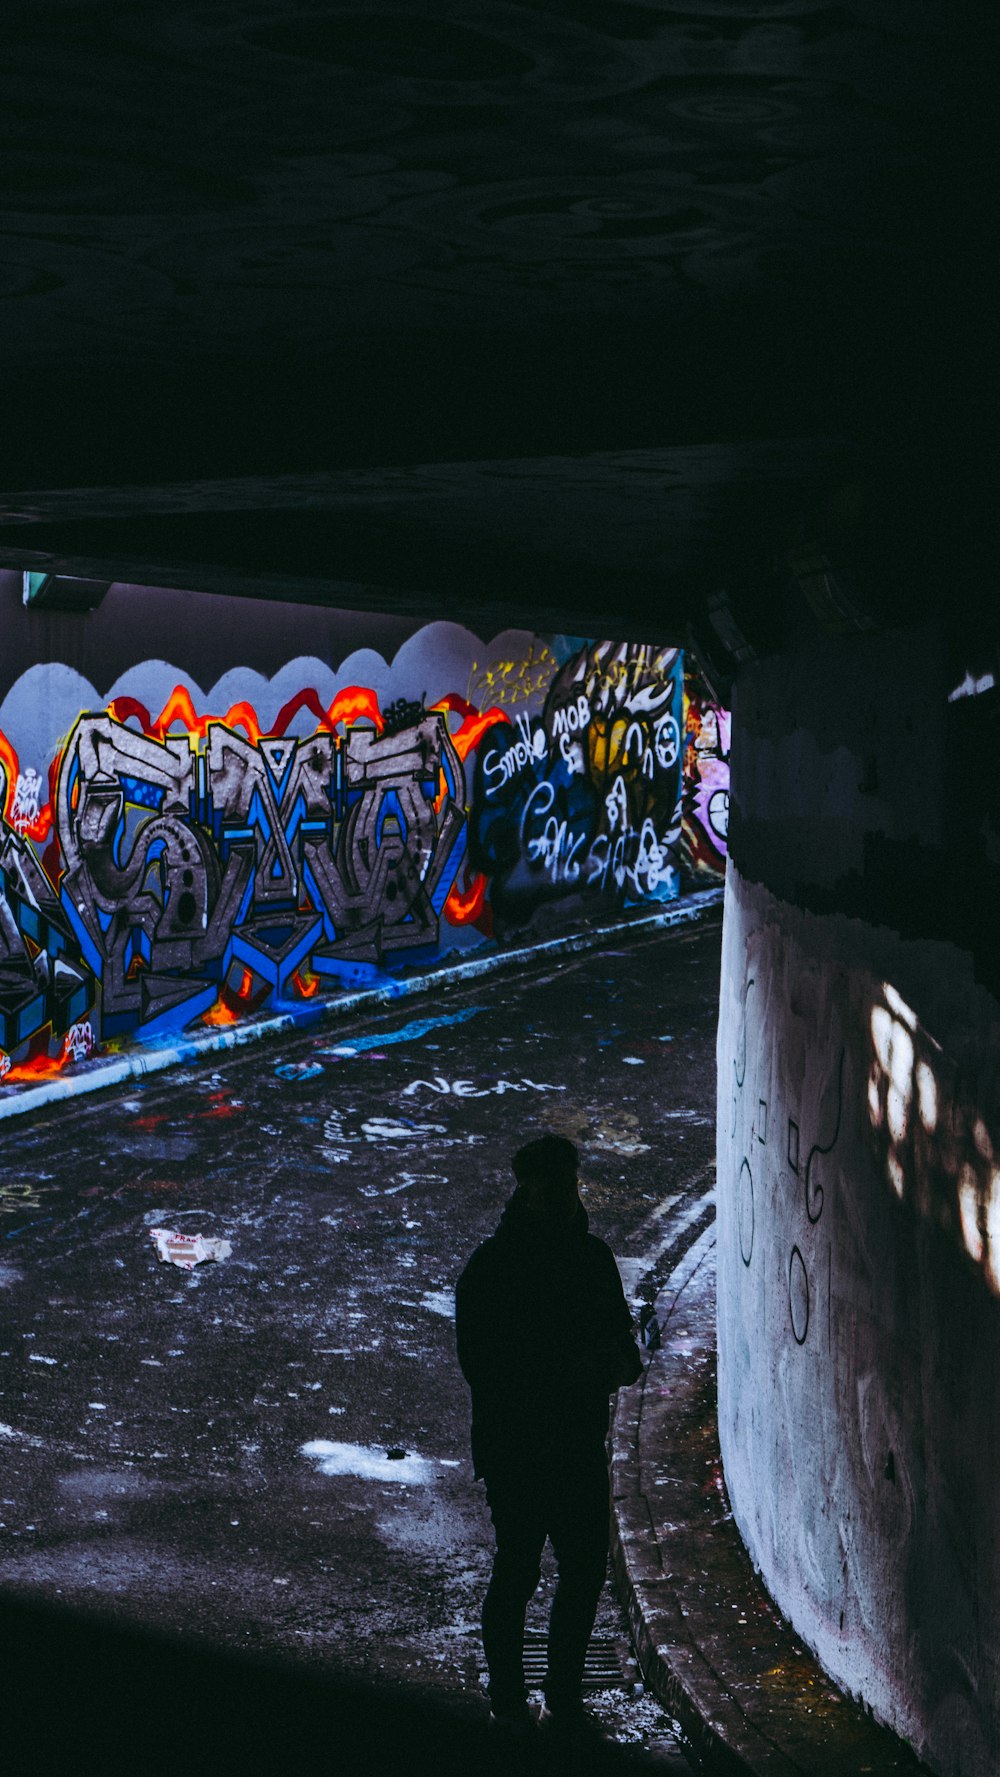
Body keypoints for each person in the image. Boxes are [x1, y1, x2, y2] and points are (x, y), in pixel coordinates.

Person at [455, 1133, 643, 1743]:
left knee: (568, 1569)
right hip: (528, 1448)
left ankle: (541, 1697)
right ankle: (521, 1698)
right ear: (528, 1188)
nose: (564, 1194)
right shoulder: (501, 1267)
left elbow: (622, 1349)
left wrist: (614, 1363)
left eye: (569, 1182)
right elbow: (483, 1365)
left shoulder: (570, 1259)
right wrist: (577, 1370)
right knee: (526, 1571)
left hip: (554, 1446)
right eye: (553, 1184)